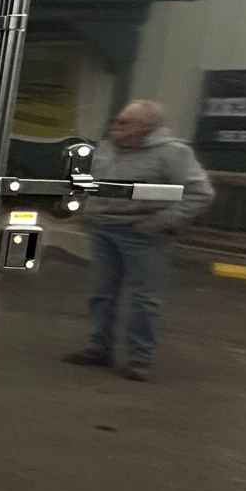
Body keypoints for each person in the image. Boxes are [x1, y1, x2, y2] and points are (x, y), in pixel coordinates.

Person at [63, 99, 214, 381]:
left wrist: (159, 223)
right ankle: (99, 348)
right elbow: (90, 183)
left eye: (124, 122)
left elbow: (200, 194)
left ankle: (139, 359)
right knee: (101, 294)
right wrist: (85, 210)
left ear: (146, 127)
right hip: (103, 229)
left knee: (144, 299)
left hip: (143, 234)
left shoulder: (173, 153)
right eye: (117, 121)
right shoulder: (106, 148)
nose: (115, 126)